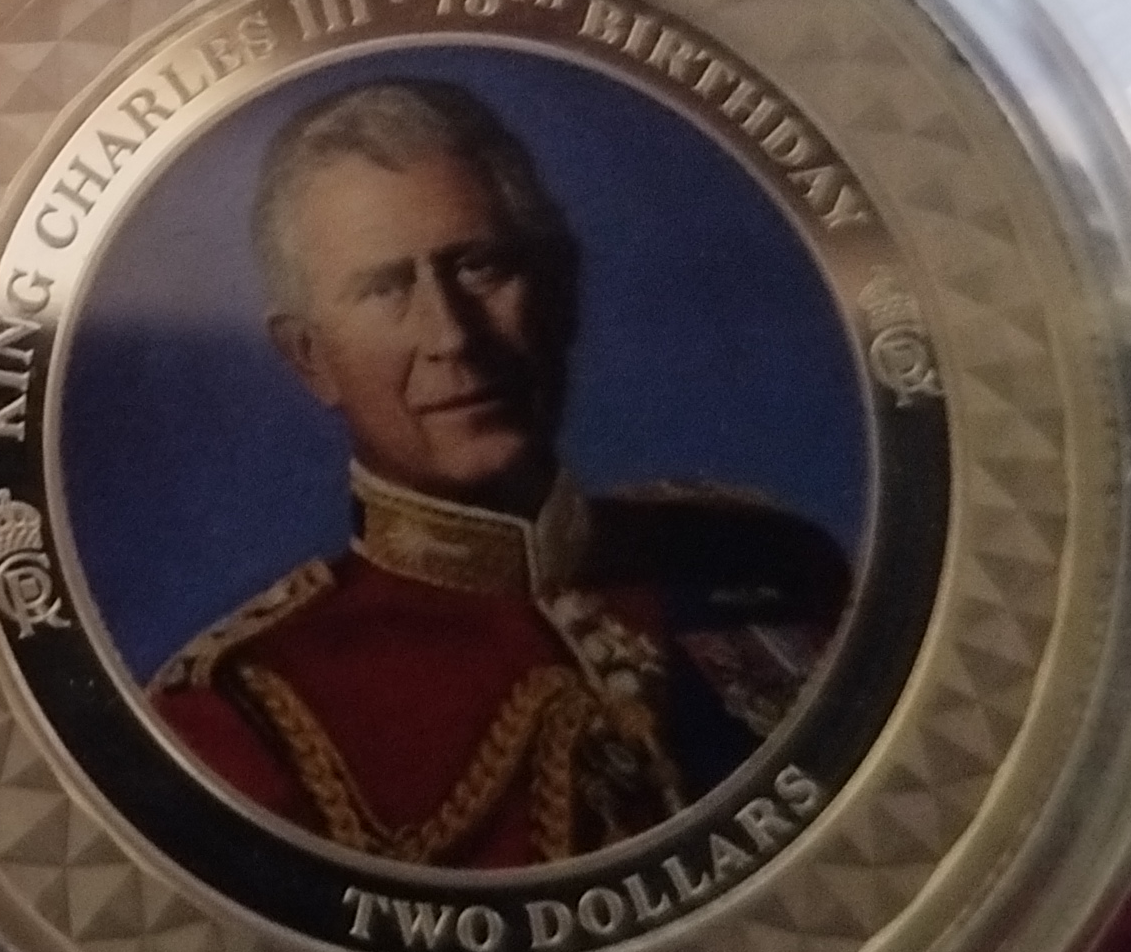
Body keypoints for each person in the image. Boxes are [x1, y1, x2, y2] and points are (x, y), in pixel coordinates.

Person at [148, 77, 848, 870]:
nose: (452, 335)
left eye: (479, 266)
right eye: (386, 288)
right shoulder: (239, 708)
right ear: (310, 357)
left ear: (560, 290)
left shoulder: (774, 559)